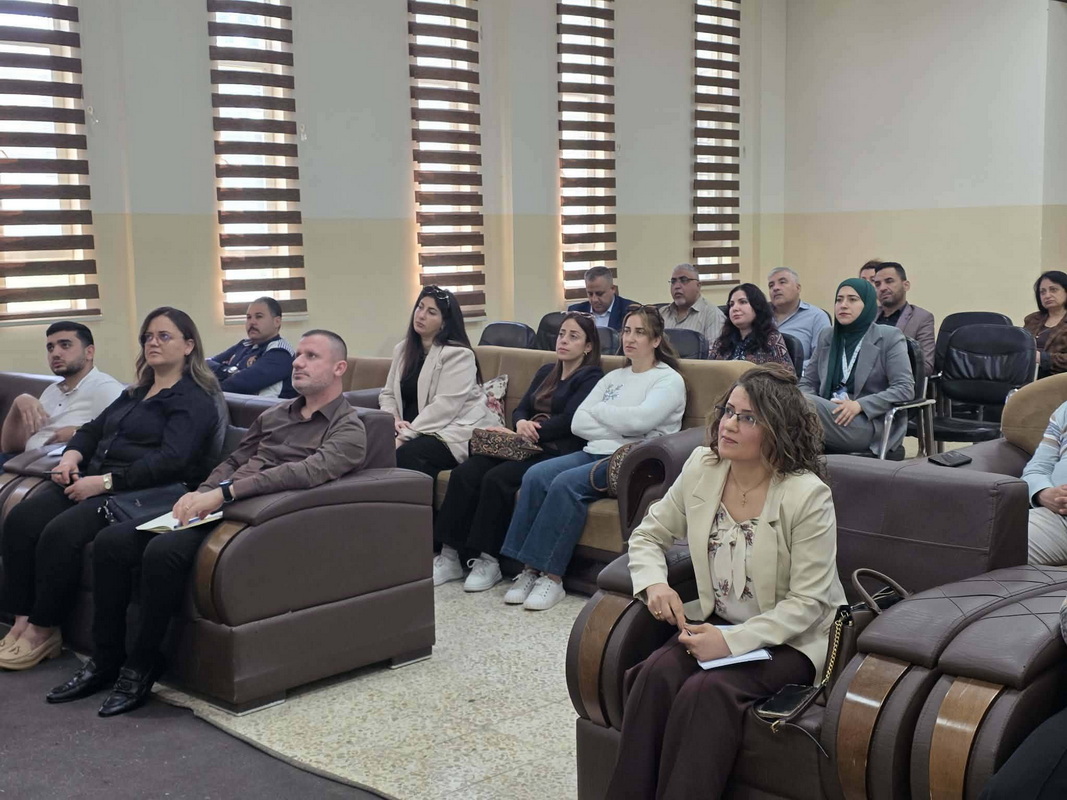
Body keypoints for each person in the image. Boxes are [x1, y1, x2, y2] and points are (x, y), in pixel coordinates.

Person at [46, 330, 367, 717]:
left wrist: (224, 494)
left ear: (339, 368)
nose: (297, 362)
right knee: (113, 542)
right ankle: (105, 659)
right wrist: (203, 491)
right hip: (219, 503)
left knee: (162, 552)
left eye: (311, 356)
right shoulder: (275, 415)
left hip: (258, 517)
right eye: (298, 354)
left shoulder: (349, 428)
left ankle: (142, 665)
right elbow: (235, 460)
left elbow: (305, 472)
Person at [606, 365, 846, 800]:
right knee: (656, 674)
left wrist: (731, 642)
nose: (728, 424)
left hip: (790, 639)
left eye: (747, 417)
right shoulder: (704, 466)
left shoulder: (807, 495)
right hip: (718, 623)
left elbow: (809, 603)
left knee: (707, 691)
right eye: (728, 411)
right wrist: (655, 584)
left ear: (777, 430)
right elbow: (648, 535)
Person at [0, 307, 220, 671]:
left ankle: (43, 629)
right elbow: (91, 430)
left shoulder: (194, 399)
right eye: (148, 337)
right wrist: (71, 457)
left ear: (188, 345)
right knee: (22, 519)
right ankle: (21, 620)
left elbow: (172, 460)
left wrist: (104, 483)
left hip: (136, 492)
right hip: (91, 477)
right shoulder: (136, 392)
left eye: (164, 336)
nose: (153, 342)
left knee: (60, 533)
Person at [499, 305, 686, 611]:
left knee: (565, 484)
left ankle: (553, 578)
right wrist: (620, 422)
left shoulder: (668, 380)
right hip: (593, 449)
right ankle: (528, 569)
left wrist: (601, 412)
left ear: (655, 340)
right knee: (535, 475)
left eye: (640, 332)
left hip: (630, 460)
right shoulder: (614, 377)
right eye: (626, 331)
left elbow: (640, 422)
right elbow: (578, 422)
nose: (630, 338)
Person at [433, 312, 603, 591]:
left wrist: (532, 430)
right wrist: (521, 423)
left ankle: (489, 560)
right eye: (561, 334)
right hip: (521, 444)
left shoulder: (591, 377)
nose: (563, 341)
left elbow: (572, 419)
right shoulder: (546, 371)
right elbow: (522, 407)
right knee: (465, 473)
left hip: (554, 450)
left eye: (573, 336)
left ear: (588, 346)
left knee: (497, 479)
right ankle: (449, 555)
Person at [380, 285, 499, 484]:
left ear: (444, 323)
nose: (421, 315)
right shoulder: (402, 350)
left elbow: (444, 408)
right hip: (415, 428)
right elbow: (388, 394)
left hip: (453, 430)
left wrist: (403, 437)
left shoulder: (459, 355)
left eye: (431, 312)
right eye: (420, 307)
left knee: (407, 455)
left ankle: (419, 505)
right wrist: (393, 419)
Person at [799, 279, 913, 455]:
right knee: (786, 400)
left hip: (865, 422)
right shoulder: (828, 336)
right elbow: (807, 382)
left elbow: (905, 388)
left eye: (852, 299)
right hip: (826, 413)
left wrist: (860, 405)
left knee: (795, 404)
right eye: (839, 300)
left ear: (868, 305)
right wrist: (810, 405)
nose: (843, 305)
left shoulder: (889, 337)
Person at [0, 322, 123, 464]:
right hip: (21, 462)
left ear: (89, 352)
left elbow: (125, 434)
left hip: (54, 467)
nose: (55, 354)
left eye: (65, 345)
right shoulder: (52, 390)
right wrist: (18, 403)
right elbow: (10, 448)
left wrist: (78, 432)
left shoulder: (105, 387)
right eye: (50, 348)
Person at [206, 296, 296, 398]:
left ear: (277, 322)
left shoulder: (280, 352)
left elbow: (241, 384)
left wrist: (210, 385)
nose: (252, 322)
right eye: (249, 317)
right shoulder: (244, 344)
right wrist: (230, 372)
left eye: (259, 317)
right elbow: (204, 365)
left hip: (264, 408)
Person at [1020, 399, 1067, 566]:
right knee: (982, 543)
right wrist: (1043, 493)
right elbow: (1036, 469)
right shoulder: (1065, 411)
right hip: (1057, 518)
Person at [709, 284, 793, 371]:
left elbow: (787, 375)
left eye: (743, 302)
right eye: (731, 304)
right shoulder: (721, 342)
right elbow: (708, 372)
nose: (735, 308)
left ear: (757, 306)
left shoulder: (771, 339)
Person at [873, 262, 935, 376]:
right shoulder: (869, 317)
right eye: (877, 284)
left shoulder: (921, 318)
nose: (882, 288)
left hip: (898, 381)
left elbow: (925, 366)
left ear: (906, 285)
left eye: (889, 281)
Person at [767, 268, 830, 370]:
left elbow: (822, 358)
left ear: (798, 288)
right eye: (771, 285)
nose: (775, 288)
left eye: (782, 282)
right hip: (759, 375)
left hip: (798, 376)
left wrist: (792, 368)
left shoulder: (817, 317)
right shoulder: (760, 315)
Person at [658, 263, 725, 351]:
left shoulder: (713, 315)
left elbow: (714, 354)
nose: (677, 286)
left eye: (684, 280)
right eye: (673, 282)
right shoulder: (662, 313)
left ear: (698, 286)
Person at [1023, 271, 1067, 379]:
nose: (1047, 295)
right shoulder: (1032, 319)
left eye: (1053, 290)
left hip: (1058, 380)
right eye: (1042, 292)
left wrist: (1042, 358)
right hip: (1026, 376)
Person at [568, 265, 638, 329]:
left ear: (613, 289)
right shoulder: (576, 312)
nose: (594, 299)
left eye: (599, 294)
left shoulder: (631, 311)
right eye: (590, 294)